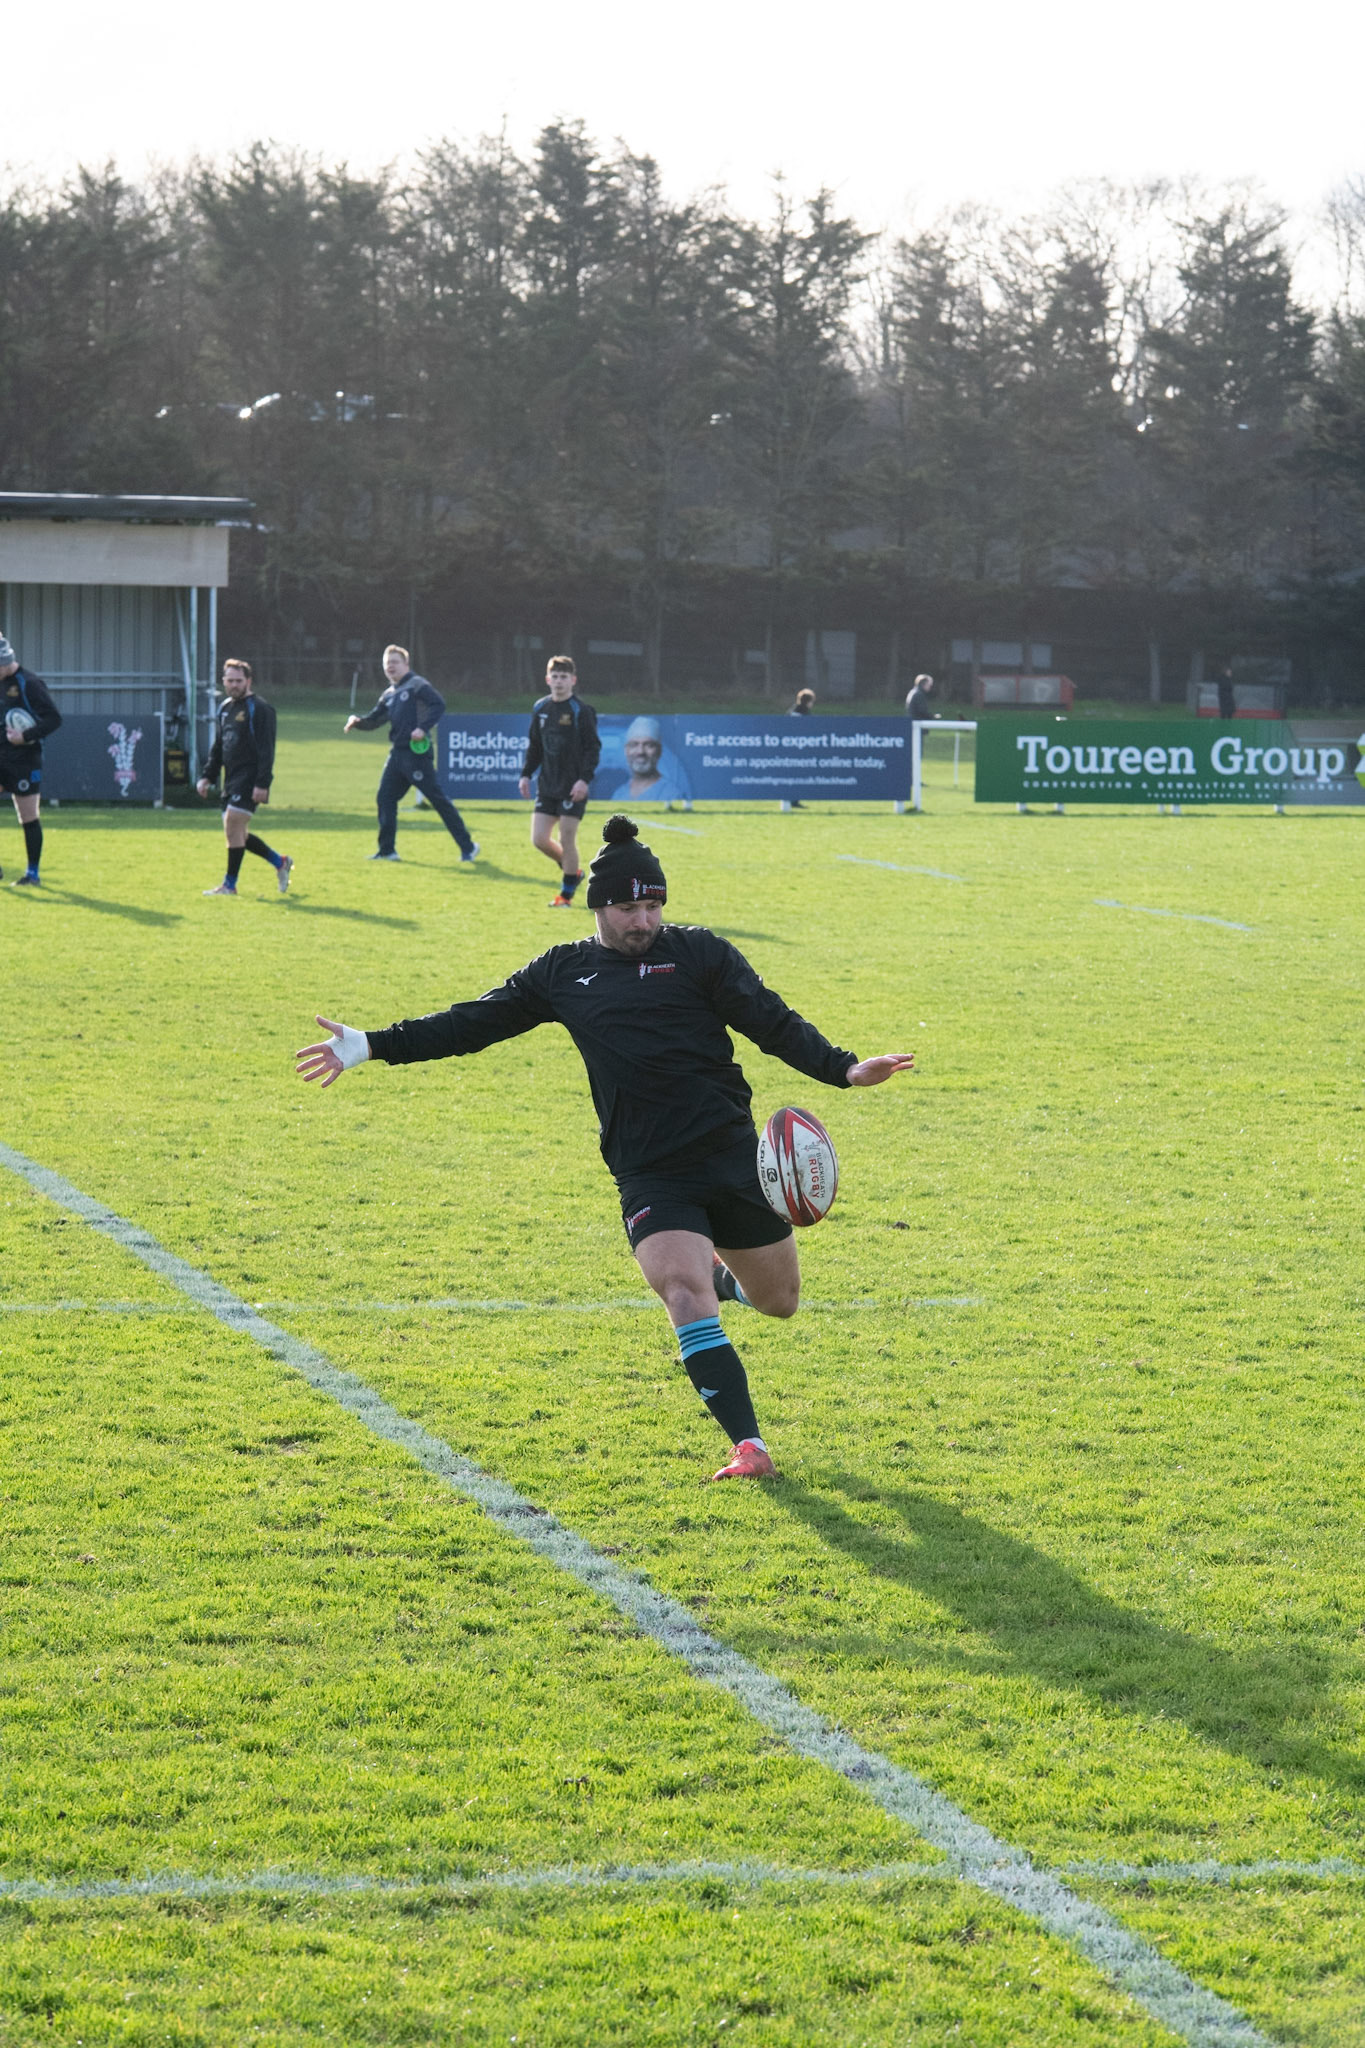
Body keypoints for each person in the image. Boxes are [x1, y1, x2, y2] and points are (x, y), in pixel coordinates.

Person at [295, 815, 913, 1481]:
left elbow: (772, 1021)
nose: (642, 920)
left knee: (778, 1301)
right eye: (628, 907)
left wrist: (843, 1069)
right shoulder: (562, 972)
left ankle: (720, 1277)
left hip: (733, 1160)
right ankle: (749, 1446)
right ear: (598, 906)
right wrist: (371, 1044)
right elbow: (472, 1023)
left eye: (652, 906)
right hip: (651, 1173)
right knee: (679, 1288)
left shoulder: (702, 955)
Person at [345, 644, 479, 864]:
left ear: (406, 664)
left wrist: (423, 727)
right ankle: (387, 851)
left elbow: (439, 704)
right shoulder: (389, 693)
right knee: (385, 798)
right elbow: (375, 719)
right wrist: (357, 722)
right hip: (396, 755)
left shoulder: (417, 685)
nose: (391, 667)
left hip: (416, 755)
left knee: (437, 800)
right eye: (387, 663)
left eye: (395, 662)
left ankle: (469, 847)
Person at [196, 659, 292, 897]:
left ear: (249, 681)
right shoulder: (225, 708)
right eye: (230, 680)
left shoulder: (259, 709)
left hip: (250, 778)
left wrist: (262, 783)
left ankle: (229, 885)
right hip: (231, 779)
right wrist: (207, 776)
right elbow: (219, 747)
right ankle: (280, 862)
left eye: (239, 680)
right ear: (224, 681)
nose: (234, 685)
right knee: (238, 834)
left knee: (233, 824)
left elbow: (267, 749)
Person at [519, 656, 600, 906]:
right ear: (547, 679)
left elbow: (592, 748)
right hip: (547, 785)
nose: (559, 681)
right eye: (554, 677)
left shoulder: (581, 711)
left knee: (567, 838)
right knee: (539, 840)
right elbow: (535, 746)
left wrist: (583, 781)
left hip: (572, 787)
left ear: (573, 680)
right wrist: (525, 774)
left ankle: (565, 896)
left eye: (564, 677)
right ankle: (572, 872)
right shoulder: (540, 709)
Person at [0, 632, 61, 886]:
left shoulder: (30, 683)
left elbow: (54, 719)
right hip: (1, 755)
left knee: (27, 816)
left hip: (25, 758)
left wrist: (25, 736)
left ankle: (32, 874)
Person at [607, 714, 689, 805]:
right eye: (634, 745)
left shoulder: (672, 795)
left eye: (648, 745)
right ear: (626, 751)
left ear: (659, 751)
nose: (640, 752)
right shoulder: (619, 795)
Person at [784, 688, 815, 807]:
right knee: (797, 775)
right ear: (808, 702)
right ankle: (793, 801)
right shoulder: (804, 712)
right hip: (799, 747)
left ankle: (792, 800)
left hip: (789, 747)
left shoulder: (792, 711)